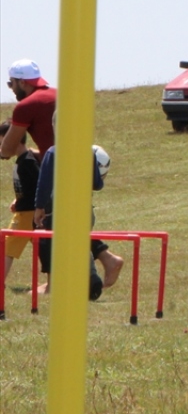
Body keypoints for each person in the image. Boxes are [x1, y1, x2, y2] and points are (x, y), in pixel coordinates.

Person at [32, 142, 109, 300]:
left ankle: (75, 282)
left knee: (62, 247)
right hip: (85, 209)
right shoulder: (88, 152)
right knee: (80, 244)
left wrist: (39, 207)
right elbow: (97, 183)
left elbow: (45, 183)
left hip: (60, 210)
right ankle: (90, 277)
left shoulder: (53, 152)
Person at [1, 120, 39, 280]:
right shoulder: (22, 161)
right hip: (24, 211)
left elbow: (39, 186)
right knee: (44, 248)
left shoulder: (28, 162)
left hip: (28, 214)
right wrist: (17, 200)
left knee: (7, 246)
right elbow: (27, 188)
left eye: (2, 141)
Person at [1, 59, 56, 159]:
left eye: (11, 83)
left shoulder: (26, 106)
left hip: (57, 168)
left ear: (22, 82)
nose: (11, 88)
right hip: (87, 163)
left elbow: (7, 150)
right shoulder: (63, 95)